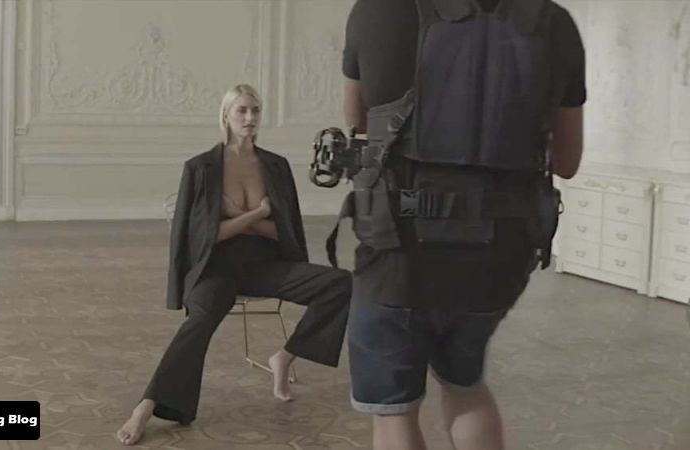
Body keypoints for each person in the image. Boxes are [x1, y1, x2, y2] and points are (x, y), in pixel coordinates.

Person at [339, 0, 586, 449]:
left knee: (393, 411)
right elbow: (567, 162)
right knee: (465, 386)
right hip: (499, 254)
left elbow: (356, 119)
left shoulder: (378, 9)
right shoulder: (553, 22)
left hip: (398, 252)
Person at [116, 84, 352, 446]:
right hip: (215, 269)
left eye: (255, 110)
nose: (249, 117)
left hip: (266, 265)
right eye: (241, 110)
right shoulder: (200, 167)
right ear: (225, 115)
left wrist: (236, 219)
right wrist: (258, 214)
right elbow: (200, 237)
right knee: (199, 323)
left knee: (341, 283)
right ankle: (146, 406)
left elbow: (285, 229)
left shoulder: (276, 166)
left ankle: (285, 357)